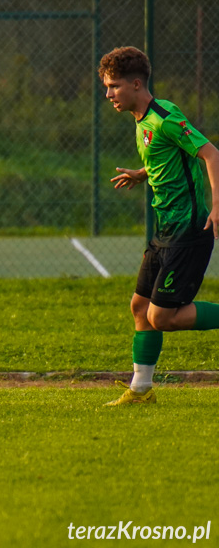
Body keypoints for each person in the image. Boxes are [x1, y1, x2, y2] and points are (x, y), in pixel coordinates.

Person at [99, 46, 219, 406]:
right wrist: (142, 173)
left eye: (114, 86)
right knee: (140, 307)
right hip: (165, 231)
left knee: (161, 316)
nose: (108, 95)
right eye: (106, 87)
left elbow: (210, 153)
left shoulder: (165, 116)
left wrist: (218, 205)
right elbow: (168, 159)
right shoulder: (142, 121)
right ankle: (140, 391)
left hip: (189, 231)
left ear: (136, 84)